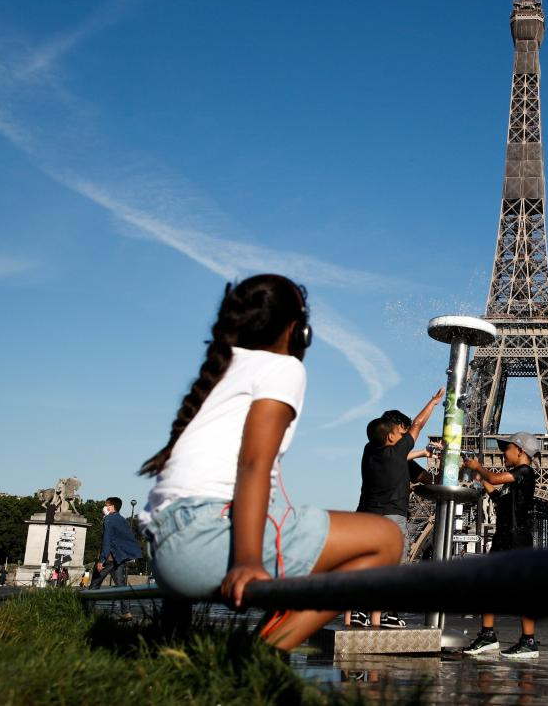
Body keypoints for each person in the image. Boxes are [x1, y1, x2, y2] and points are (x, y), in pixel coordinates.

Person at [138, 274, 401, 651]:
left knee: (307, 519)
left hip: (167, 553)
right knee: (386, 540)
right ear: (298, 331)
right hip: (207, 540)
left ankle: (203, 646)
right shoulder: (283, 368)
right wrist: (246, 561)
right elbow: (253, 465)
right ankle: (260, 654)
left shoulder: (221, 372)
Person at [347, 394, 443, 629]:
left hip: (365, 515)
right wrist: (432, 402)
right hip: (391, 518)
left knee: (365, 564)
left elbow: (410, 464)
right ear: (391, 434)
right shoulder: (399, 451)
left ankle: (358, 613)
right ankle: (386, 614)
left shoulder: (370, 450)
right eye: (402, 432)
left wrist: (421, 454)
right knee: (393, 567)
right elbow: (419, 425)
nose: (405, 436)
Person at [461, 432, 541, 659]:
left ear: (520, 450)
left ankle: (529, 641)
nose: (503, 453)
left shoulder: (525, 472)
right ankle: (488, 636)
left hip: (517, 539)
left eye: (507, 449)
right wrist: (481, 477)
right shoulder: (515, 482)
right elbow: (498, 498)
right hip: (505, 537)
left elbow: (496, 479)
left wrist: (479, 466)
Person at [88, 496, 144, 615]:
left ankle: (87, 612)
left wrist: (101, 560)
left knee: (94, 586)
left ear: (112, 507)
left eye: (107, 505)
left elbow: (107, 541)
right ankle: (126, 612)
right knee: (121, 586)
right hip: (119, 558)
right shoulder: (122, 520)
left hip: (108, 558)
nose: (105, 507)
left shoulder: (109, 520)